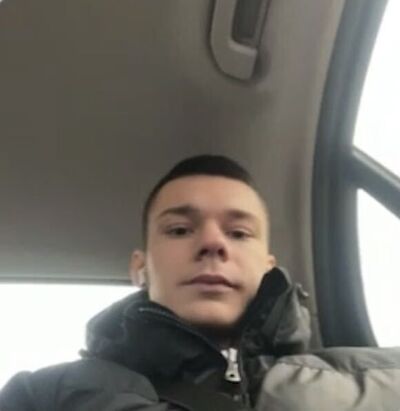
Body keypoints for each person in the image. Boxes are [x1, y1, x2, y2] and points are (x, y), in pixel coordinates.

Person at [1, 154, 400, 411]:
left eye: (239, 233)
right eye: (179, 230)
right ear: (140, 268)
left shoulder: (379, 382)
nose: (212, 242)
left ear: (268, 266)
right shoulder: (44, 397)